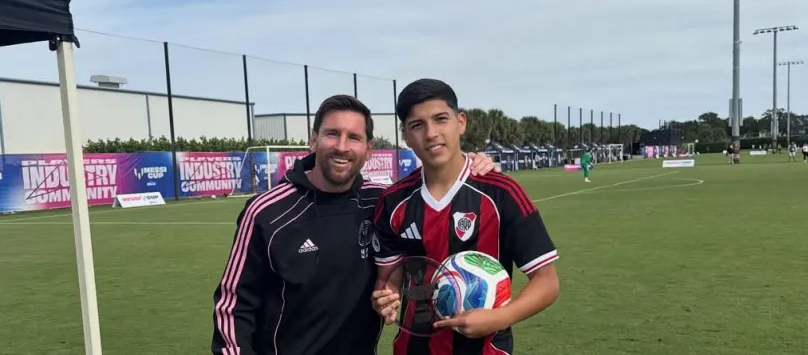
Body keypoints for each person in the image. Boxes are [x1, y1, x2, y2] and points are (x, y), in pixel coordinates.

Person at [210, 94, 499, 355]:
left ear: (369, 148)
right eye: (332, 134)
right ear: (314, 139)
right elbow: (233, 305)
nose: (342, 146)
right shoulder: (267, 211)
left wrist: (472, 162)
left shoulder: (381, 201)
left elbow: (437, 185)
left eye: (354, 137)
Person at [370, 79, 560, 355]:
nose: (431, 133)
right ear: (406, 135)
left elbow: (547, 282)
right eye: (417, 125)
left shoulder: (502, 194)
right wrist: (386, 295)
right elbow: (390, 279)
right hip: (413, 349)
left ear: (460, 122)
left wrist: (499, 318)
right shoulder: (393, 201)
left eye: (440, 119)